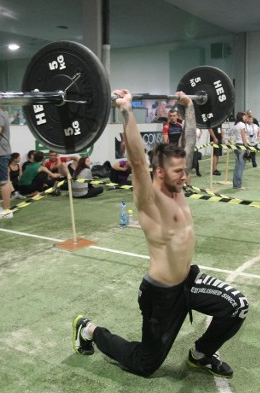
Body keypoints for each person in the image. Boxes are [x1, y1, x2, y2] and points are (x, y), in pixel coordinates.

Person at [72, 89, 248, 378]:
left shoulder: (178, 186)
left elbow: (188, 143)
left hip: (189, 281)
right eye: (178, 171)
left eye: (184, 169)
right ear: (160, 172)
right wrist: (126, 110)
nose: (185, 175)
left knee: (237, 305)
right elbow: (138, 159)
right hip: (161, 295)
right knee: (145, 364)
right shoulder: (150, 200)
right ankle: (89, 329)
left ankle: (200, 355)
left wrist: (189, 106)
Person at [232, 111, 249, 189]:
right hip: (242, 146)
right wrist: (247, 148)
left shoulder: (235, 125)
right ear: (241, 117)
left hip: (236, 146)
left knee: (237, 166)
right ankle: (239, 185)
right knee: (241, 166)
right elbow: (243, 137)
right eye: (244, 116)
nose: (246, 117)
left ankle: (235, 184)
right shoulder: (242, 125)